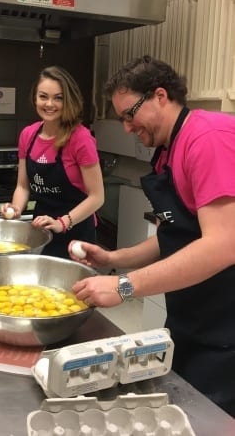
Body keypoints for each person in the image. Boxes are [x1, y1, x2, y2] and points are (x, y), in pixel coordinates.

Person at [69, 55, 235, 416]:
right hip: (193, 318)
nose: (127, 128)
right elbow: (177, 237)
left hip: (227, 330)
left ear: (160, 95)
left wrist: (124, 286)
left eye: (130, 114)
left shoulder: (207, 139)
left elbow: (222, 245)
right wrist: (114, 260)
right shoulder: (167, 152)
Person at [0, 65, 104, 258]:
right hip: (41, 231)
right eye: (43, 96)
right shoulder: (28, 135)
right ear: (35, 98)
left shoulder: (81, 138)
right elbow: (23, 186)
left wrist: (62, 222)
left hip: (76, 234)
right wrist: (15, 209)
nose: (49, 104)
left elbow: (97, 196)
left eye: (59, 98)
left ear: (69, 100)